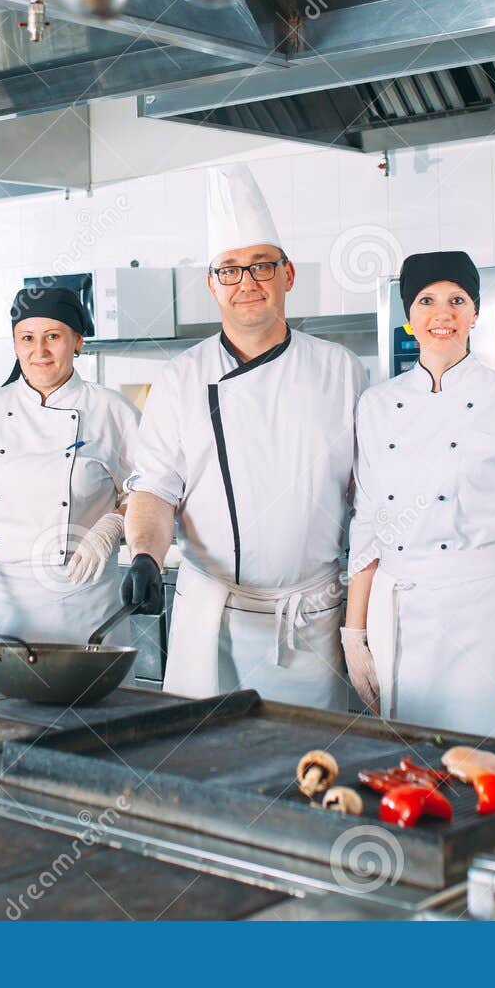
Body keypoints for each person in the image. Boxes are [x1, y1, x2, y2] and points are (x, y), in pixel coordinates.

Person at [121, 164, 364, 709]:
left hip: (312, 621)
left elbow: (368, 497)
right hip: (211, 618)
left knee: (310, 774)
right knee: (202, 765)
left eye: (260, 265)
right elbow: (156, 489)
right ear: (212, 284)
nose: (246, 282)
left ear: (289, 274)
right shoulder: (180, 378)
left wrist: (366, 616)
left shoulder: (341, 370)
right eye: (229, 270)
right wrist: (142, 554)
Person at [342, 252, 495, 733]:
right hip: (400, 615)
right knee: (412, 770)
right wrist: (355, 633)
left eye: (457, 300)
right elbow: (368, 520)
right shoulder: (375, 405)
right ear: (409, 317)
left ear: (475, 312)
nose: (443, 314)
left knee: (490, 770)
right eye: (426, 301)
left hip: (489, 616)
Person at [0, 287, 138, 653]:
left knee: (89, 708)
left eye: (53, 337)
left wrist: (113, 524)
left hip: (82, 603)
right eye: (27, 339)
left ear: (78, 342)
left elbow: (155, 495)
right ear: (16, 345)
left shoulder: (112, 411)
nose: (40, 352)